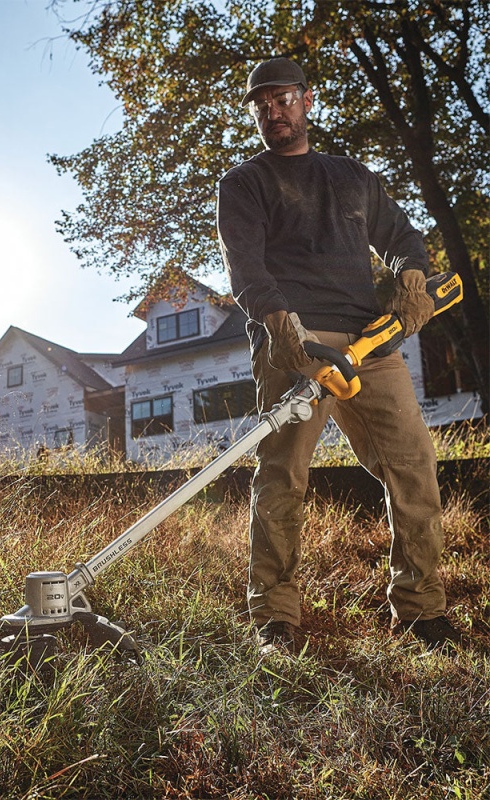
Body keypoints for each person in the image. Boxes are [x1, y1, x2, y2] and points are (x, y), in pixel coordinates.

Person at [216, 56, 461, 654]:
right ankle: (276, 616)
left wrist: (411, 276)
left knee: (413, 465)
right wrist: (284, 328)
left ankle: (420, 609)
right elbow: (247, 270)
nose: (274, 111)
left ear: (307, 102)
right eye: (262, 104)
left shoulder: (353, 176)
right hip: (294, 344)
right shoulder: (243, 184)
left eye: (284, 99)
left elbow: (403, 238)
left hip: (370, 345)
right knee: (282, 475)